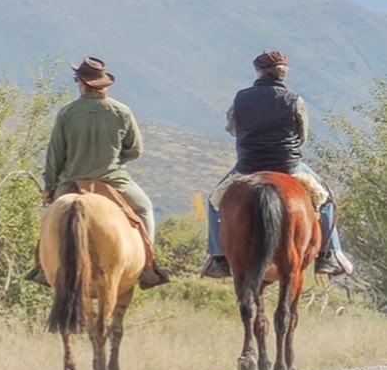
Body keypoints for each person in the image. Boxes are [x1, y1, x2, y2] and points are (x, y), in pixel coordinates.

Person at [201, 50, 351, 279]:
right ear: (284, 73)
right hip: (288, 166)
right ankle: (329, 255)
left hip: (248, 166)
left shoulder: (240, 98)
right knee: (327, 200)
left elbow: (232, 129)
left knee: (213, 202)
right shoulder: (294, 99)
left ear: (259, 72)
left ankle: (218, 257)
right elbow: (302, 136)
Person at [28, 56, 170, 289]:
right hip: (113, 180)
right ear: (104, 84)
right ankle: (148, 267)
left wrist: (50, 187)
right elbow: (135, 150)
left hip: (71, 181)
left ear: (81, 83)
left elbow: (55, 155)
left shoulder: (67, 113)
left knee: (50, 219)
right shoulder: (121, 111)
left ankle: (44, 268)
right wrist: (115, 160)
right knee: (144, 208)